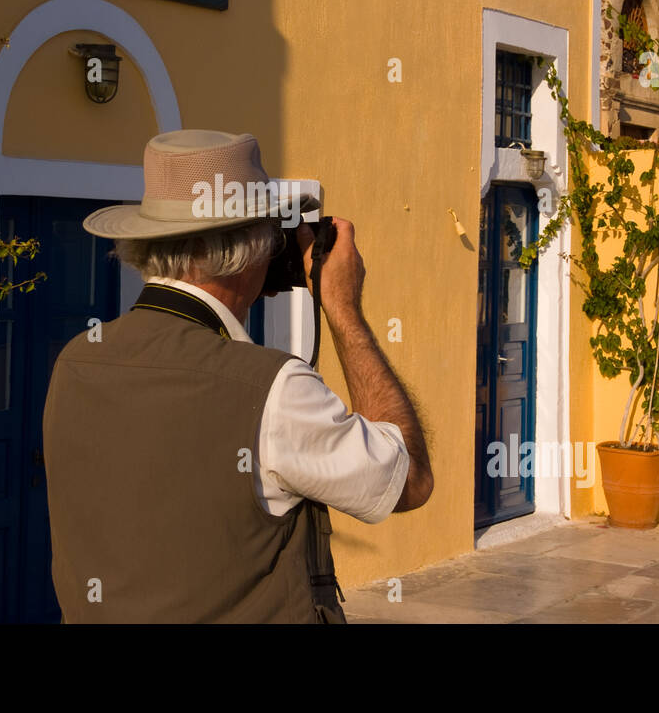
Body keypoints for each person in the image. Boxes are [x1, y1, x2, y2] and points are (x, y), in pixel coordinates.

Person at [43, 129, 433, 623]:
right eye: (271, 235)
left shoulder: (76, 361)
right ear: (249, 249)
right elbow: (410, 479)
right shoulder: (272, 389)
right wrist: (343, 309)